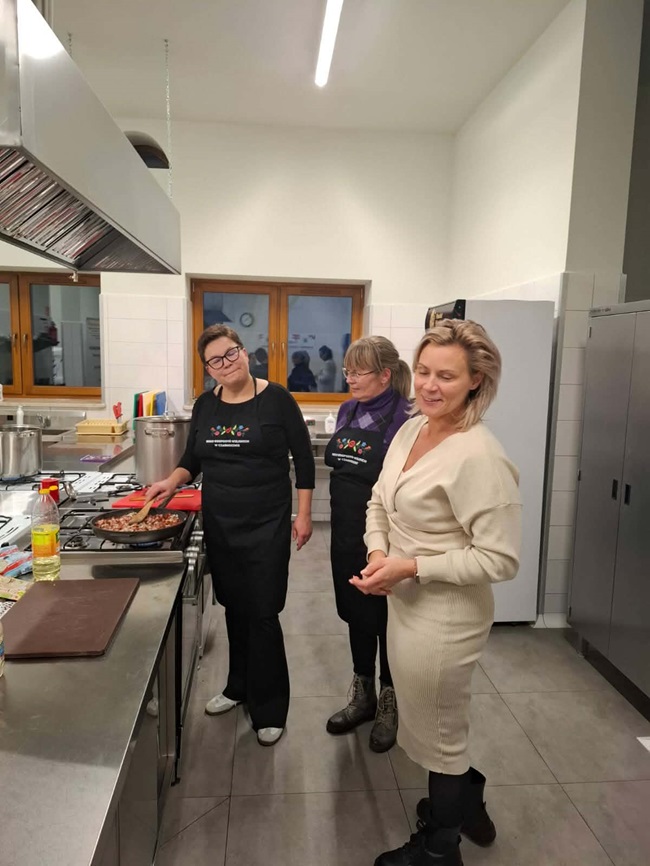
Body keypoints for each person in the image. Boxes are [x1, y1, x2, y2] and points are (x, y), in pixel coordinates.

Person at [350, 320, 521, 866]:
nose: (428, 384)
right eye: (423, 371)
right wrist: (378, 554)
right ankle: (469, 807)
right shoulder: (411, 430)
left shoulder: (480, 455)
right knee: (430, 721)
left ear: (476, 380)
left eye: (446, 376)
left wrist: (410, 567)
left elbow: (499, 558)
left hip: (446, 618)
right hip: (405, 605)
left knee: (440, 738)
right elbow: (379, 501)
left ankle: (440, 849)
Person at [145, 324, 315, 747]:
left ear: (245, 352)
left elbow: (304, 458)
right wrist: (171, 481)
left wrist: (304, 514)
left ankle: (269, 707)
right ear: (208, 369)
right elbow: (192, 459)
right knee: (235, 608)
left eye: (231, 353)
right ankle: (238, 686)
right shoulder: (206, 405)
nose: (226, 364)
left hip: (267, 524)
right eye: (215, 360)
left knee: (263, 612)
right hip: (221, 523)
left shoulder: (277, 399)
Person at [324, 336, 412, 752]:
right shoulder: (348, 410)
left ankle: (391, 701)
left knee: (387, 619)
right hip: (344, 532)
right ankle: (363, 695)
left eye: (359, 372)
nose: (351, 379)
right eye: (348, 371)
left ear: (385, 375)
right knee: (356, 614)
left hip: (388, 537)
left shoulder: (407, 418)